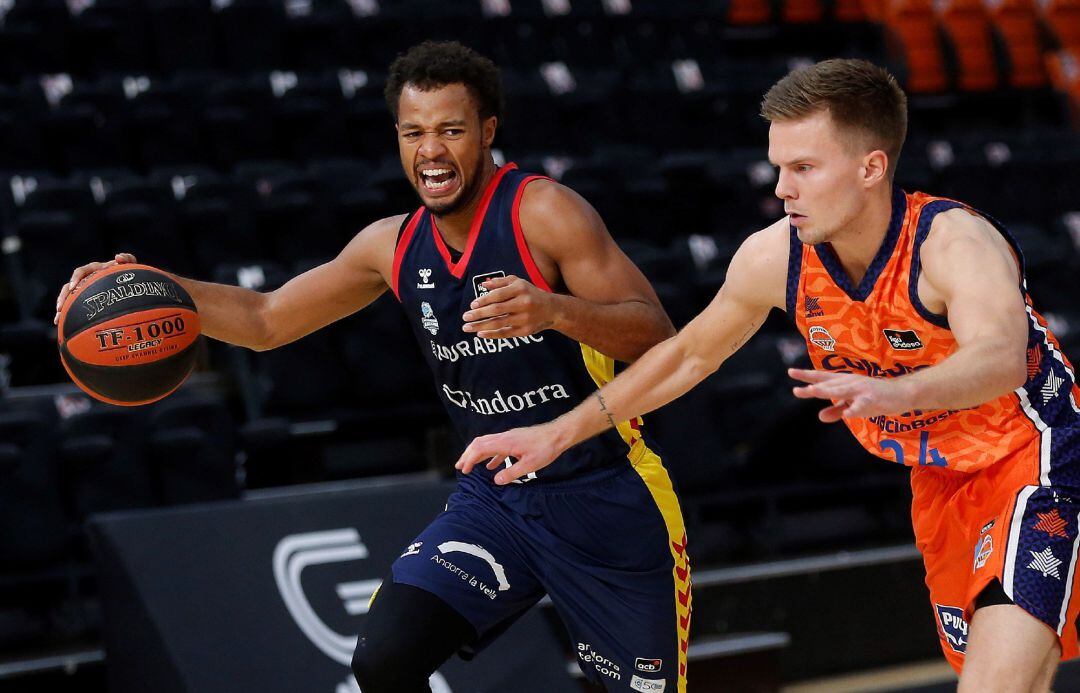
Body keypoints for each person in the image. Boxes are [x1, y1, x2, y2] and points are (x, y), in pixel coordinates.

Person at [55, 41, 692, 693]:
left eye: (451, 129)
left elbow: (659, 335)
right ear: (397, 138)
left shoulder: (546, 213)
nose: (432, 150)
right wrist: (151, 285)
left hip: (607, 496)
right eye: (415, 132)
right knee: (384, 658)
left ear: (488, 132)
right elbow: (266, 319)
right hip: (495, 501)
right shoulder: (390, 245)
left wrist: (555, 310)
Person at [457, 58, 1080, 691]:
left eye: (805, 168)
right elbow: (689, 354)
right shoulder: (773, 255)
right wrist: (557, 434)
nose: (782, 187)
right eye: (780, 166)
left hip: (1039, 458)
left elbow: (1000, 359)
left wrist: (892, 391)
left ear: (871, 167)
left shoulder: (953, 244)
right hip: (941, 478)